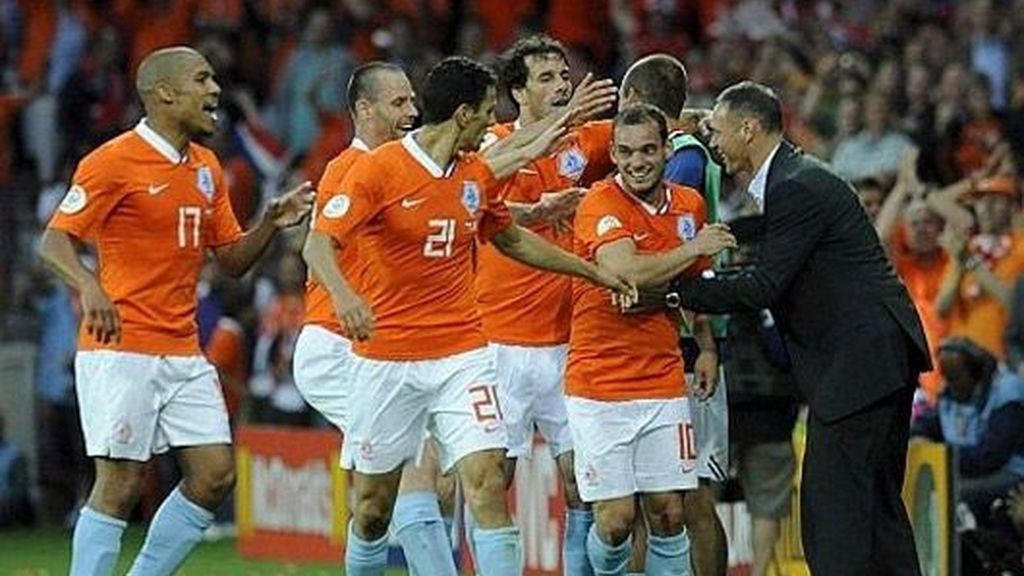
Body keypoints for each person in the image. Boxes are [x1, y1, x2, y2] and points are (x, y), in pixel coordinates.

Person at [317, 56, 632, 576]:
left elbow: (508, 237)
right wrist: (344, 296)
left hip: (462, 354)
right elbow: (317, 245)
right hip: (386, 358)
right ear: (464, 115)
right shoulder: (379, 168)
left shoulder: (472, 177)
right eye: (487, 113)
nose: (493, 124)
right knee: (372, 510)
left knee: (487, 479)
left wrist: (590, 272)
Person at [39, 46, 313, 576]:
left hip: (183, 349)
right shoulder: (113, 160)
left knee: (214, 475)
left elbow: (231, 260)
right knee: (119, 483)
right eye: (202, 79)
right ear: (165, 94)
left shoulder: (207, 168)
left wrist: (269, 221)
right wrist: (89, 286)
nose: (215, 91)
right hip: (122, 347)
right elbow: (54, 242)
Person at [672, 81, 930, 576]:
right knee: (877, 513)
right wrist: (704, 117)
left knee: (832, 519)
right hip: (876, 362)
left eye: (720, 133)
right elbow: (772, 261)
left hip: (858, 369)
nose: (715, 145)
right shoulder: (799, 175)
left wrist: (678, 288)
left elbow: (764, 284)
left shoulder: (794, 187)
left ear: (749, 130)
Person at [297, 61, 458, 574]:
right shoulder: (354, 168)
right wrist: (344, 298)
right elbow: (314, 248)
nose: (412, 112)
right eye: (398, 103)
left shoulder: (399, 169)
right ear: (364, 111)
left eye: (413, 100)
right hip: (338, 343)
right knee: (418, 466)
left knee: (384, 500)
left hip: (378, 345)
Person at [567, 103, 736, 576]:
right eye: (624, 152)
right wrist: (690, 251)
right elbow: (625, 270)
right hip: (600, 383)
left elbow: (696, 283)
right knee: (617, 520)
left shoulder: (688, 205)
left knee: (669, 511)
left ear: (667, 150)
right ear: (614, 155)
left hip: (662, 378)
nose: (636, 162)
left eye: (647, 150)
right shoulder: (598, 203)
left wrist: (705, 345)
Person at [475, 34, 614, 575]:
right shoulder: (493, 141)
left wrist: (703, 120)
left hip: (569, 345)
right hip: (500, 345)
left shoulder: (585, 141)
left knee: (585, 484)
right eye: (547, 79)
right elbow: (482, 203)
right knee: (492, 482)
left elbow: (656, 125)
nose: (561, 86)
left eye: (564, 76)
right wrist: (542, 208)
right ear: (518, 92)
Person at [618, 53, 728, 576]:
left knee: (692, 493)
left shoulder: (683, 163)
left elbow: (687, 257)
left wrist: (707, 345)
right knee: (650, 496)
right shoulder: (689, 145)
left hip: (684, 337)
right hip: (653, 341)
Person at [911, 337, 1024, 516]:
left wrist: (944, 454)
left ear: (976, 372)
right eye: (947, 378)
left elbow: (989, 457)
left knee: (952, 495)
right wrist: (918, 436)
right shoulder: (950, 395)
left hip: (1010, 472)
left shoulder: (1007, 394)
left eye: (956, 378)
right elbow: (926, 424)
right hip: (966, 469)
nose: (951, 385)